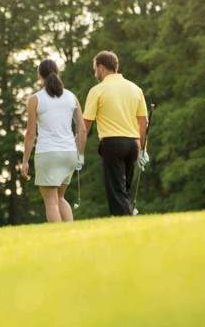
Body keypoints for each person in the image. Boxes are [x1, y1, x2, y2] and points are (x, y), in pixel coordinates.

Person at [82, 51, 149, 216]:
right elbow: (144, 122)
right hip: (133, 145)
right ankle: (127, 219)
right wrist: (142, 149)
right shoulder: (135, 88)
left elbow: (86, 124)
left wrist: (79, 152)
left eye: (95, 69)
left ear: (102, 68)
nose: (95, 73)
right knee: (124, 190)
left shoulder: (97, 90)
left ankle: (125, 223)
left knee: (116, 190)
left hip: (113, 144)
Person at [21, 59, 86, 223]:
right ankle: (70, 234)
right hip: (69, 154)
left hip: (48, 154)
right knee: (59, 197)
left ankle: (58, 238)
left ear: (39, 76)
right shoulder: (71, 97)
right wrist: (80, 154)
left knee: (51, 201)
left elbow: (30, 134)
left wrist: (25, 161)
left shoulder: (34, 99)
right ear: (57, 73)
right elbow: (82, 129)